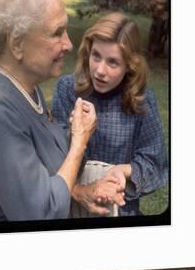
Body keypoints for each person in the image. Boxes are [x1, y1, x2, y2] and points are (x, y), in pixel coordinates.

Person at [0, 0, 124, 223]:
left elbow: (39, 167)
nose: (69, 44)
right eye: (57, 33)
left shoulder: (23, 86)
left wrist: (78, 189)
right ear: (17, 43)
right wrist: (80, 142)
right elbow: (41, 212)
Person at [52, 12, 168, 216]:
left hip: (118, 210)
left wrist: (123, 171)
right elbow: (50, 156)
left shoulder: (141, 101)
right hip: (71, 204)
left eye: (113, 62)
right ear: (89, 52)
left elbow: (155, 164)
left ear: (129, 66)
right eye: (96, 56)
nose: (99, 71)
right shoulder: (68, 90)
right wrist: (74, 134)